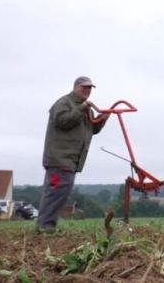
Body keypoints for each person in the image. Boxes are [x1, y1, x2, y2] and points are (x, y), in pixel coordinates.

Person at [36, 76, 109, 232]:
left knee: (60, 193)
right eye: (84, 87)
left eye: (89, 88)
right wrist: (81, 108)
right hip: (59, 158)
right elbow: (62, 121)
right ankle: (45, 226)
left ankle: (47, 225)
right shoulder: (64, 103)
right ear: (75, 87)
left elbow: (91, 129)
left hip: (70, 160)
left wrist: (102, 119)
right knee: (55, 192)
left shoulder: (85, 108)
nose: (87, 91)